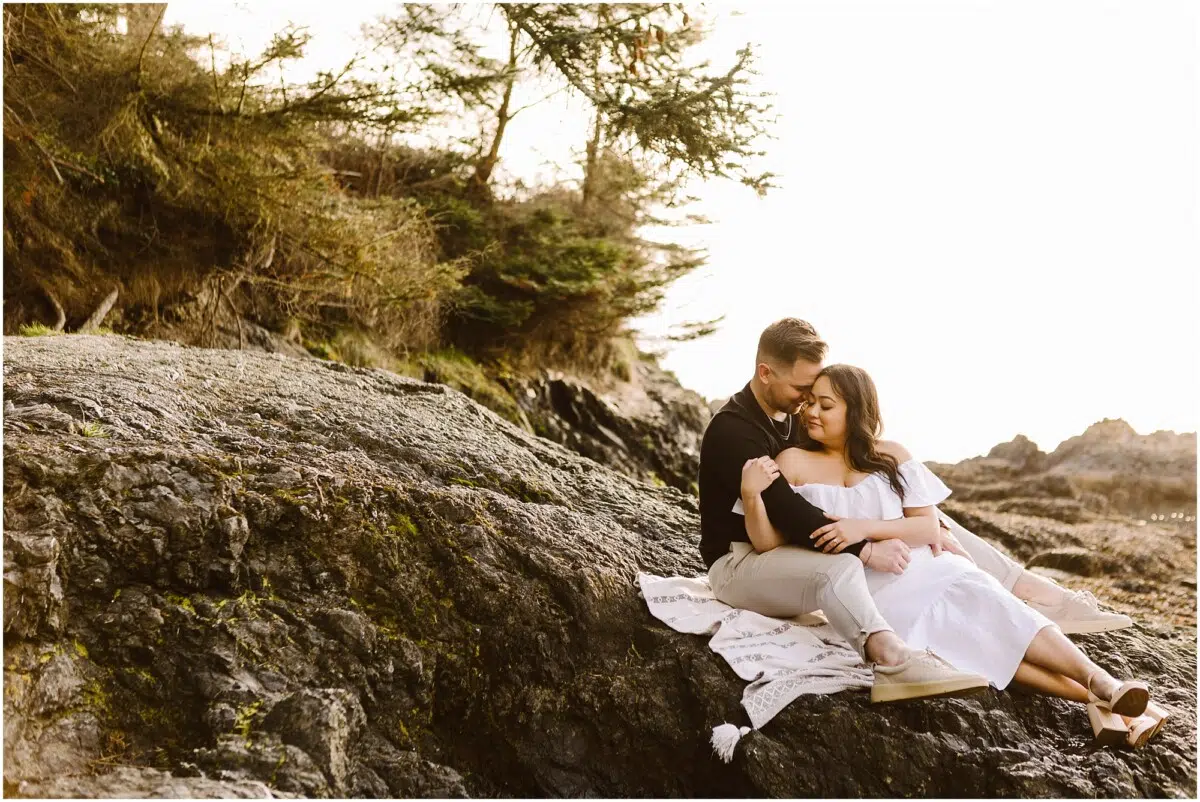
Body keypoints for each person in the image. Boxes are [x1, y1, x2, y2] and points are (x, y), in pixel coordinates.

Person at [698, 318, 1133, 705]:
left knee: (944, 526)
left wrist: (920, 530)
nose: (807, 405)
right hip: (745, 558)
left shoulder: (793, 416)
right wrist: (868, 547)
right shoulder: (735, 431)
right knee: (907, 581)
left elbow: (857, 498)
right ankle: (899, 658)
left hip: (827, 549)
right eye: (802, 393)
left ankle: (1036, 593)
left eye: (818, 398)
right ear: (765, 372)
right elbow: (786, 514)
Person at [747, 363, 1165, 744]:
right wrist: (752, 496)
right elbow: (773, 543)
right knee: (982, 651)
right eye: (811, 403)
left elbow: (926, 526)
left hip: (930, 570)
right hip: (870, 596)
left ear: (855, 411)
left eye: (826, 405)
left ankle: (1103, 684)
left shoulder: (890, 455)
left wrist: (861, 529)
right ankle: (1113, 704)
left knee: (1009, 617)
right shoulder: (793, 461)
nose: (811, 413)